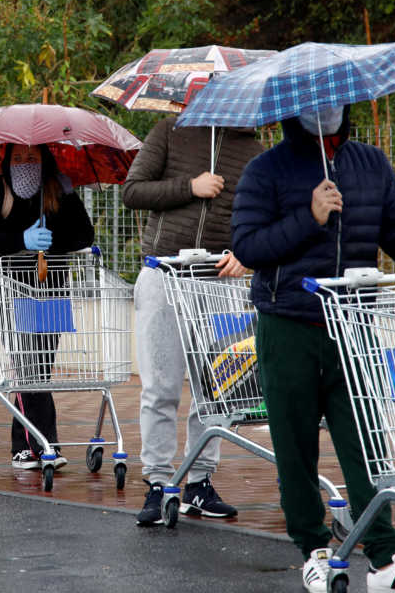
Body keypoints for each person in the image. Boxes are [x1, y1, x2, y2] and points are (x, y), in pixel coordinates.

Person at [231, 104, 395, 593]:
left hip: (353, 323)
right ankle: (312, 548)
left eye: (332, 101)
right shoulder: (265, 169)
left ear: (345, 103)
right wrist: (308, 217)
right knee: (295, 445)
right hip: (287, 322)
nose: (324, 112)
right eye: (311, 103)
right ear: (293, 108)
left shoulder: (370, 163)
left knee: (366, 443)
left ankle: (385, 560)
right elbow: (248, 248)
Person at [122, 120, 262, 524]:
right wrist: (190, 186)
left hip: (219, 283)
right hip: (164, 275)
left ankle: (198, 482)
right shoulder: (168, 131)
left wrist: (245, 251)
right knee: (160, 386)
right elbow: (133, 191)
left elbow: (261, 214)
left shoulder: (252, 149)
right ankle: (158, 483)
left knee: (214, 389)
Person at [0, 143, 95, 470]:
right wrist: (19, 241)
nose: (24, 163)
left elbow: (85, 235)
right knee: (26, 364)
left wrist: (53, 238)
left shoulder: (59, 188)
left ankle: (31, 444)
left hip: (52, 290)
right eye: (18, 157)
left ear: (44, 159)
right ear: (8, 160)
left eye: (31, 157)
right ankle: (40, 443)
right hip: (7, 290)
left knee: (40, 367)